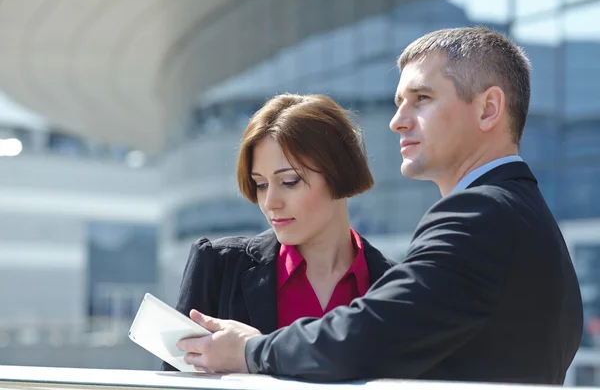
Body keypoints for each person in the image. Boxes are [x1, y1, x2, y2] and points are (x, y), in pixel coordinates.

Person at [175, 27, 584, 384]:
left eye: (421, 98)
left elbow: (368, 336)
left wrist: (251, 351)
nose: (397, 121)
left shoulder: (481, 214)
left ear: (488, 108)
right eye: (398, 102)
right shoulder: (527, 218)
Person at [162, 93, 396, 371]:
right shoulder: (219, 266)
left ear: (339, 171)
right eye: (260, 185)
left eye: (289, 181)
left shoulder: (394, 287)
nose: (270, 202)